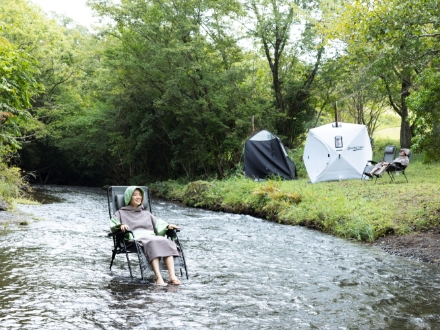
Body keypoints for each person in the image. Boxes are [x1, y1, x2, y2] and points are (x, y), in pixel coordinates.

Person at [110, 186, 181, 286]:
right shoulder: (120, 213)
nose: (138, 197)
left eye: (140, 195)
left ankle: (172, 276)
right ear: (128, 197)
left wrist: (167, 226)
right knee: (152, 242)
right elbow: (113, 224)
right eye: (135, 195)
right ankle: (158, 277)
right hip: (134, 238)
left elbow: (158, 224)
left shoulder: (147, 213)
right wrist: (121, 225)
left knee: (165, 241)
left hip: (150, 237)